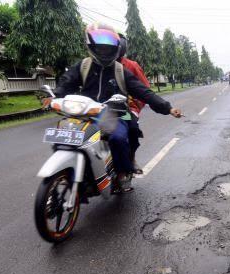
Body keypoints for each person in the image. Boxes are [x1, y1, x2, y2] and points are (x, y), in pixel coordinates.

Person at [50, 22, 182, 192]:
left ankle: (123, 171)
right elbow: (66, 83)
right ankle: (67, 171)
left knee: (121, 136)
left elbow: (144, 91)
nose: (104, 51)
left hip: (116, 113)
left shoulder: (122, 70)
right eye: (100, 47)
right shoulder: (83, 66)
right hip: (86, 113)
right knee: (63, 133)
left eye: (108, 48)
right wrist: (53, 97)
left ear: (116, 49)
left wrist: (167, 108)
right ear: (91, 46)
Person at [117, 34, 150, 175]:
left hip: (127, 108)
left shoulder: (131, 66)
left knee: (132, 130)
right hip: (101, 108)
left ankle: (131, 159)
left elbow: (145, 88)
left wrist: (135, 104)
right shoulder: (95, 65)